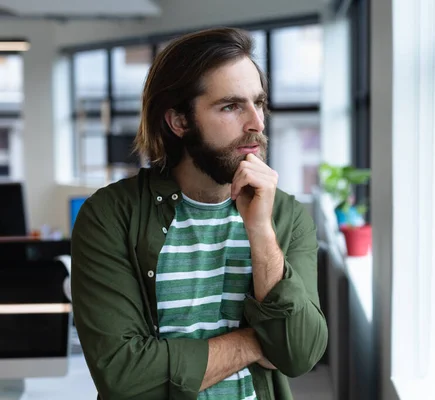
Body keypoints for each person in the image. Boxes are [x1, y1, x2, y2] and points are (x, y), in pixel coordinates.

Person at [71, 27, 328, 400]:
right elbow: (124, 376)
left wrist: (261, 232)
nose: (256, 123)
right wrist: (256, 342)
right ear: (180, 121)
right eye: (231, 106)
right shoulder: (110, 215)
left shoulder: (286, 215)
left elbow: (300, 354)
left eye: (259, 103)